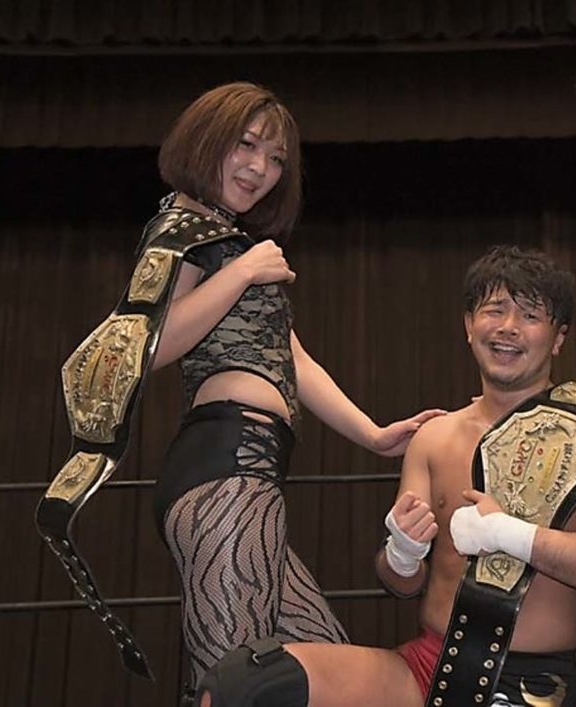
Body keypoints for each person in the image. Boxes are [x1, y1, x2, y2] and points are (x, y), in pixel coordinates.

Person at [194, 245, 576, 707]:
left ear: (558, 338)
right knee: (244, 686)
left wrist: (512, 536)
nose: (509, 327)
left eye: (531, 315)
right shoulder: (434, 437)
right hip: (427, 666)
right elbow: (400, 584)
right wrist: (402, 555)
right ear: (469, 325)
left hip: (526, 684)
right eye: (495, 310)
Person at [142, 82, 445, 696]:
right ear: (206, 140)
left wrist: (374, 435)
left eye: (276, 158)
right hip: (224, 469)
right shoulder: (181, 226)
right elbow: (148, 343)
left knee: (322, 677)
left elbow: (292, 358)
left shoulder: (228, 239)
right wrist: (243, 272)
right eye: (246, 145)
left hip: (250, 476)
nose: (260, 168)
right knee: (234, 686)